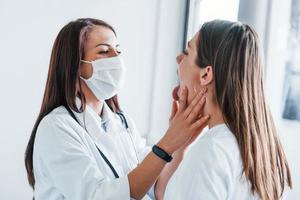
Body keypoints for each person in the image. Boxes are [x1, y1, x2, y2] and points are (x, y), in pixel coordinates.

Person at [24, 18, 210, 200]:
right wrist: (167, 143)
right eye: (104, 51)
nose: (116, 58)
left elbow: (157, 186)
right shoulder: (56, 128)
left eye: (118, 50)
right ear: (76, 66)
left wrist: (180, 145)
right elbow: (98, 196)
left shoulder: (122, 122)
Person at [159, 20, 293, 200]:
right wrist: (179, 147)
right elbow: (166, 194)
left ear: (206, 74)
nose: (178, 58)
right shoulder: (263, 153)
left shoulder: (211, 150)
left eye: (187, 52)